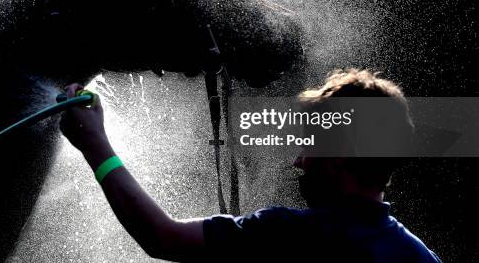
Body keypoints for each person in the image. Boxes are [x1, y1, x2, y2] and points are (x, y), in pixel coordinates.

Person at [59, 69, 442, 262]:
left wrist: (95, 145)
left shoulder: (294, 235)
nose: (298, 160)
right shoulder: (419, 256)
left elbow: (162, 237)